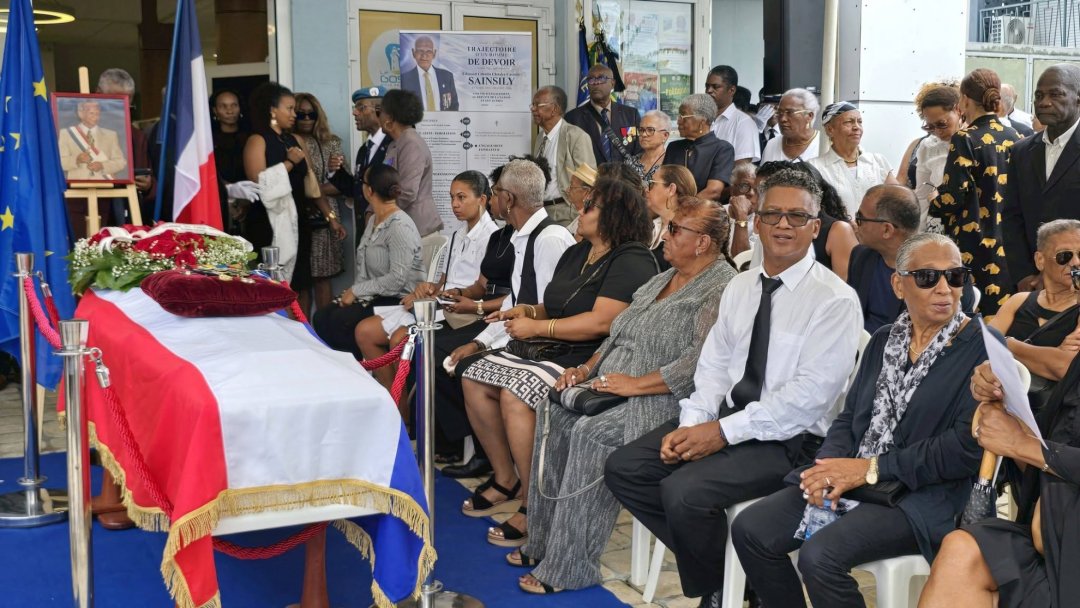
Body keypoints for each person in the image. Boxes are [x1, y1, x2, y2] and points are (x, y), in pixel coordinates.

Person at [605, 168, 862, 608]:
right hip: (730, 421)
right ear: (756, 221)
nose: (783, 225)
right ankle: (734, 580)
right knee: (627, 468)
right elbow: (714, 367)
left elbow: (807, 400)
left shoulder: (834, 300)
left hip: (791, 440)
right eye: (773, 214)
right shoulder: (741, 286)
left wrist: (720, 434)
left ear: (816, 227)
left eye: (798, 216)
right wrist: (693, 424)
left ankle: (725, 591)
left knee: (683, 492)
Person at [732, 232, 986, 608]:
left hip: (922, 495)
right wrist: (828, 468)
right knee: (751, 529)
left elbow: (964, 449)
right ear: (898, 285)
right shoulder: (885, 339)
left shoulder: (981, 347)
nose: (944, 288)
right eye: (928, 277)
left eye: (955, 276)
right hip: (856, 478)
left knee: (820, 556)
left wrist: (868, 470)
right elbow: (850, 418)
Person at [513, 197, 739, 595]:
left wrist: (634, 385)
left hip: (664, 399)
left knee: (592, 434)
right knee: (553, 413)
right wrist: (585, 370)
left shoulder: (722, 288)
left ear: (702, 242)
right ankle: (544, 541)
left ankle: (571, 565)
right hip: (613, 384)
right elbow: (617, 333)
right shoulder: (663, 277)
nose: (664, 236)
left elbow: (699, 363)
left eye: (674, 230)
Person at [459, 176, 656, 548]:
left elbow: (602, 322)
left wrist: (538, 326)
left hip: (593, 357)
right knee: (473, 376)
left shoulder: (632, 258)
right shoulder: (578, 252)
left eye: (590, 206)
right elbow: (556, 304)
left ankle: (535, 503)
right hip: (554, 346)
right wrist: (527, 311)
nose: (580, 209)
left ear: (614, 215)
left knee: (515, 395)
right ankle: (507, 478)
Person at [439, 159, 576, 476]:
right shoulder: (520, 237)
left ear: (509, 199)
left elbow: (549, 309)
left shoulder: (549, 239)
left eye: (496, 191)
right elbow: (515, 301)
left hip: (553, 346)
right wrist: (478, 342)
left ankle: (522, 485)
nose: (493, 197)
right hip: (525, 338)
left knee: (480, 375)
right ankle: (504, 477)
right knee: (467, 367)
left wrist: (485, 333)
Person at [922, 349, 1080, 608]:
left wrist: (1022, 444)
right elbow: (1042, 460)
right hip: (1052, 545)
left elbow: (1037, 451)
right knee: (961, 552)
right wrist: (1003, 402)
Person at [354, 170, 498, 394]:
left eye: (461, 197)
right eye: (452, 197)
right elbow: (443, 281)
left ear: (482, 199)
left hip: (462, 310)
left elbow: (481, 289)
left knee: (400, 339)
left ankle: (404, 405)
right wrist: (428, 289)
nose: (454, 204)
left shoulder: (492, 237)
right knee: (365, 331)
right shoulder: (457, 234)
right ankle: (394, 398)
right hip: (442, 302)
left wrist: (441, 295)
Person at [929, 68, 1019, 316]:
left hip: (974, 242)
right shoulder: (1017, 136)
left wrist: (934, 202)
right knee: (1003, 314)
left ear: (965, 99)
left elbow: (953, 197)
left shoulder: (965, 138)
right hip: (1010, 242)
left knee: (970, 311)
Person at [311, 163, 424, 360]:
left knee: (341, 322)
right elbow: (363, 267)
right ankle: (349, 369)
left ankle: (359, 370)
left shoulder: (399, 226)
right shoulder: (374, 220)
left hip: (399, 299)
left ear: (369, 190)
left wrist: (356, 291)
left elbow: (396, 280)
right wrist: (354, 295)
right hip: (375, 295)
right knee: (321, 317)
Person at [243, 82, 338, 290]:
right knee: (270, 283)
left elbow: (311, 183)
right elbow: (259, 183)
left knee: (300, 281)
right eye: (289, 108)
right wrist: (289, 163)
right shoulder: (257, 140)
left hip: (298, 220)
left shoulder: (296, 140)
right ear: (272, 110)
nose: (294, 114)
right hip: (267, 222)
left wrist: (331, 217)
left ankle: (298, 314)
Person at [988, 219, 1080, 412]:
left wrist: (1007, 344)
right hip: (1002, 406)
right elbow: (982, 345)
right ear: (1040, 260)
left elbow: (1065, 367)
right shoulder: (1018, 301)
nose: (1076, 262)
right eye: (1064, 256)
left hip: (1057, 417)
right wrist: (1051, 355)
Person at [1004, 64, 1080, 292]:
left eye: (1055, 94)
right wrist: (1025, 276)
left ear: (1078, 99)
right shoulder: (1021, 151)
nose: (1044, 102)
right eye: (1039, 96)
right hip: (1031, 284)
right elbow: (1011, 217)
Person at [294, 92, 347, 312]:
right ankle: (302, 330)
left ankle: (325, 329)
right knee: (300, 282)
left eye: (311, 114)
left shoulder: (331, 142)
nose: (307, 119)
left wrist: (311, 191)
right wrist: (311, 192)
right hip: (298, 216)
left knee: (323, 278)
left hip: (327, 219)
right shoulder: (288, 142)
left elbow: (343, 185)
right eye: (301, 114)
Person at [849, 184, 922, 333]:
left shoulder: (936, 275)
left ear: (887, 230)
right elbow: (850, 314)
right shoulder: (861, 256)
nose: (855, 224)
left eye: (860, 218)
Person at [809, 101, 896, 218]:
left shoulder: (878, 162)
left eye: (859, 122)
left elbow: (898, 200)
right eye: (848, 122)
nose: (856, 127)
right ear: (830, 129)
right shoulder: (815, 167)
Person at [380, 89, 443, 237]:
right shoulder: (395, 144)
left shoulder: (411, 143)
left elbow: (407, 192)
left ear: (390, 117)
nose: (379, 117)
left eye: (380, 112)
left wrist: (380, 212)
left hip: (418, 230)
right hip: (403, 227)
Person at [328, 86, 393, 229]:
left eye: (361, 107)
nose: (354, 112)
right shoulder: (364, 150)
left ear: (380, 110)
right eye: (355, 108)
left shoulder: (393, 145)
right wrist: (335, 171)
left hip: (385, 229)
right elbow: (357, 190)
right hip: (365, 229)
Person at [531, 85, 596, 226]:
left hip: (566, 212)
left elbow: (589, 180)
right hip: (541, 211)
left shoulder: (576, 136)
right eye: (533, 105)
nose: (533, 109)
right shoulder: (540, 138)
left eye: (538, 105)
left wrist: (580, 213)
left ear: (554, 109)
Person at [97, 68, 154, 223]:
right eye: (115, 102)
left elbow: (148, 175)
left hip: (126, 212)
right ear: (98, 94)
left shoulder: (137, 136)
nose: (120, 110)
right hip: (88, 210)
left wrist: (148, 185)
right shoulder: (74, 130)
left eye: (126, 104)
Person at [564, 64, 642, 165]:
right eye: (591, 79)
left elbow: (640, 150)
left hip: (625, 174)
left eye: (601, 78)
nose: (596, 83)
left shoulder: (631, 115)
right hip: (591, 174)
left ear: (612, 83)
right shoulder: (573, 118)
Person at [913, 84, 963, 233]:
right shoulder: (928, 146)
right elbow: (922, 195)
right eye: (929, 127)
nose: (937, 131)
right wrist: (919, 235)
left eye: (942, 124)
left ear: (958, 110)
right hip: (939, 226)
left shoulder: (976, 141)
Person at [666, 93, 734, 201]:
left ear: (702, 122)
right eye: (679, 116)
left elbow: (713, 191)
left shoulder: (722, 149)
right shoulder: (674, 147)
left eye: (683, 117)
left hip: (702, 209)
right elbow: (663, 183)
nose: (678, 121)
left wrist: (684, 208)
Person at [210, 89, 254, 233]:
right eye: (223, 106)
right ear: (215, 110)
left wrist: (244, 201)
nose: (229, 111)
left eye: (234, 105)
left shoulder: (251, 137)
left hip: (251, 199)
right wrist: (227, 192)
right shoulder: (208, 139)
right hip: (218, 200)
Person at [58, 100, 127, 181]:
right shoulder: (66, 134)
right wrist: (77, 159)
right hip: (77, 184)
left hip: (104, 184)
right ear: (80, 113)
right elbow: (59, 162)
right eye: (91, 113)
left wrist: (103, 165)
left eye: (97, 114)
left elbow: (120, 162)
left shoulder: (111, 135)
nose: (96, 117)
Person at [706, 65, 761, 165]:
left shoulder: (744, 123)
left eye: (715, 87)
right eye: (707, 86)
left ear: (731, 90)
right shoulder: (702, 118)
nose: (709, 90)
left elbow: (742, 167)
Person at [646, 164, 697, 270]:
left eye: (651, 184)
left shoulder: (687, 233)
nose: (646, 189)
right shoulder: (650, 225)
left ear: (671, 189)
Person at [760, 88, 821, 163]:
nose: (782, 119)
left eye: (790, 113)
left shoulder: (823, 144)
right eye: (780, 112)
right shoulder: (772, 145)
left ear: (809, 116)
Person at [400, 35, 459, 111]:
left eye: (429, 51)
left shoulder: (447, 77)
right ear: (414, 53)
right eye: (420, 51)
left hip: (445, 119)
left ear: (434, 54)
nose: (424, 55)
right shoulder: (404, 79)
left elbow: (454, 106)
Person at [631, 110, 671, 183]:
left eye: (650, 130)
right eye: (641, 130)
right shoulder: (631, 163)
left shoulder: (671, 164)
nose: (644, 134)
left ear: (665, 135)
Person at [563, 163, 597, 238]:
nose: (567, 190)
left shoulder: (587, 222)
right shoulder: (581, 216)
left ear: (586, 192)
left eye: (572, 186)